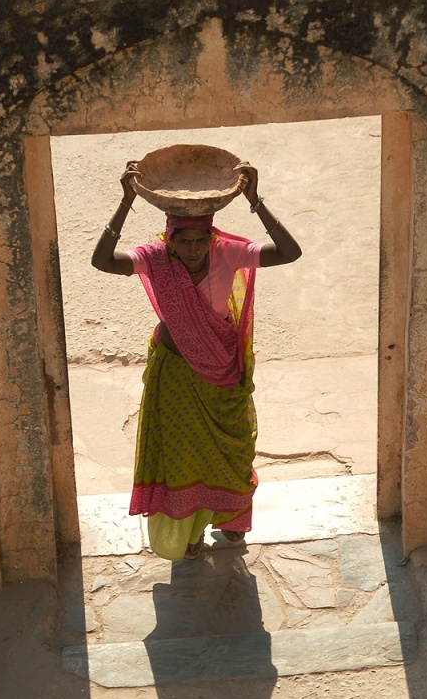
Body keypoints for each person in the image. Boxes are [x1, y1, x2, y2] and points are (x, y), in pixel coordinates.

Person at [91, 159, 301, 560]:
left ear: (211, 237)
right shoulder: (156, 259)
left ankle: (232, 519)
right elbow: (103, 261)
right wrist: (125, 202)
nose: (191, 249)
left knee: (234, 449)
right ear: (170, 238)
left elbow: (289, 252)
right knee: (182, 454)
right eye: (182, 241)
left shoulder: (229, 254)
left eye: (198, 240)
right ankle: (189, 531)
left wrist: (256, 201)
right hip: (175, 371)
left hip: (222, 371)